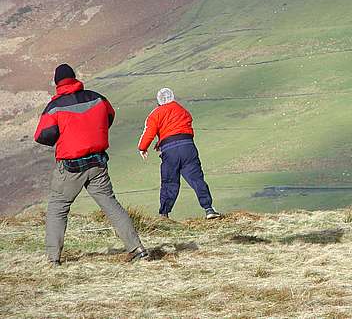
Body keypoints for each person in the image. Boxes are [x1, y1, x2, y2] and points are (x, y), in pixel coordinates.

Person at [34, 64, 147, 266]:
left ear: (57, 83)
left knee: (58, 208)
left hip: (70, 166)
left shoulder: (55, 107)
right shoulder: (97, 98)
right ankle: (137, 248)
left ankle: (53, 259)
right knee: (111, 205)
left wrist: (65, 136)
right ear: (75, 78)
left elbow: (43, 135)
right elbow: (109, 116)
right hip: (97, 162)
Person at [138, 88, 221, 220]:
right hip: (188, 147)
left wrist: (142, 148)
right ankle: (209, 209)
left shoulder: (155, 114)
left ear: (159, 101)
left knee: (169, 182)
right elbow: (180, 129)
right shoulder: (182, 110)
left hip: (170, 151)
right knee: (197, 179)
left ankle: (164, 215)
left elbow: (149, 132)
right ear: (172, 97)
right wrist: (162, 141)